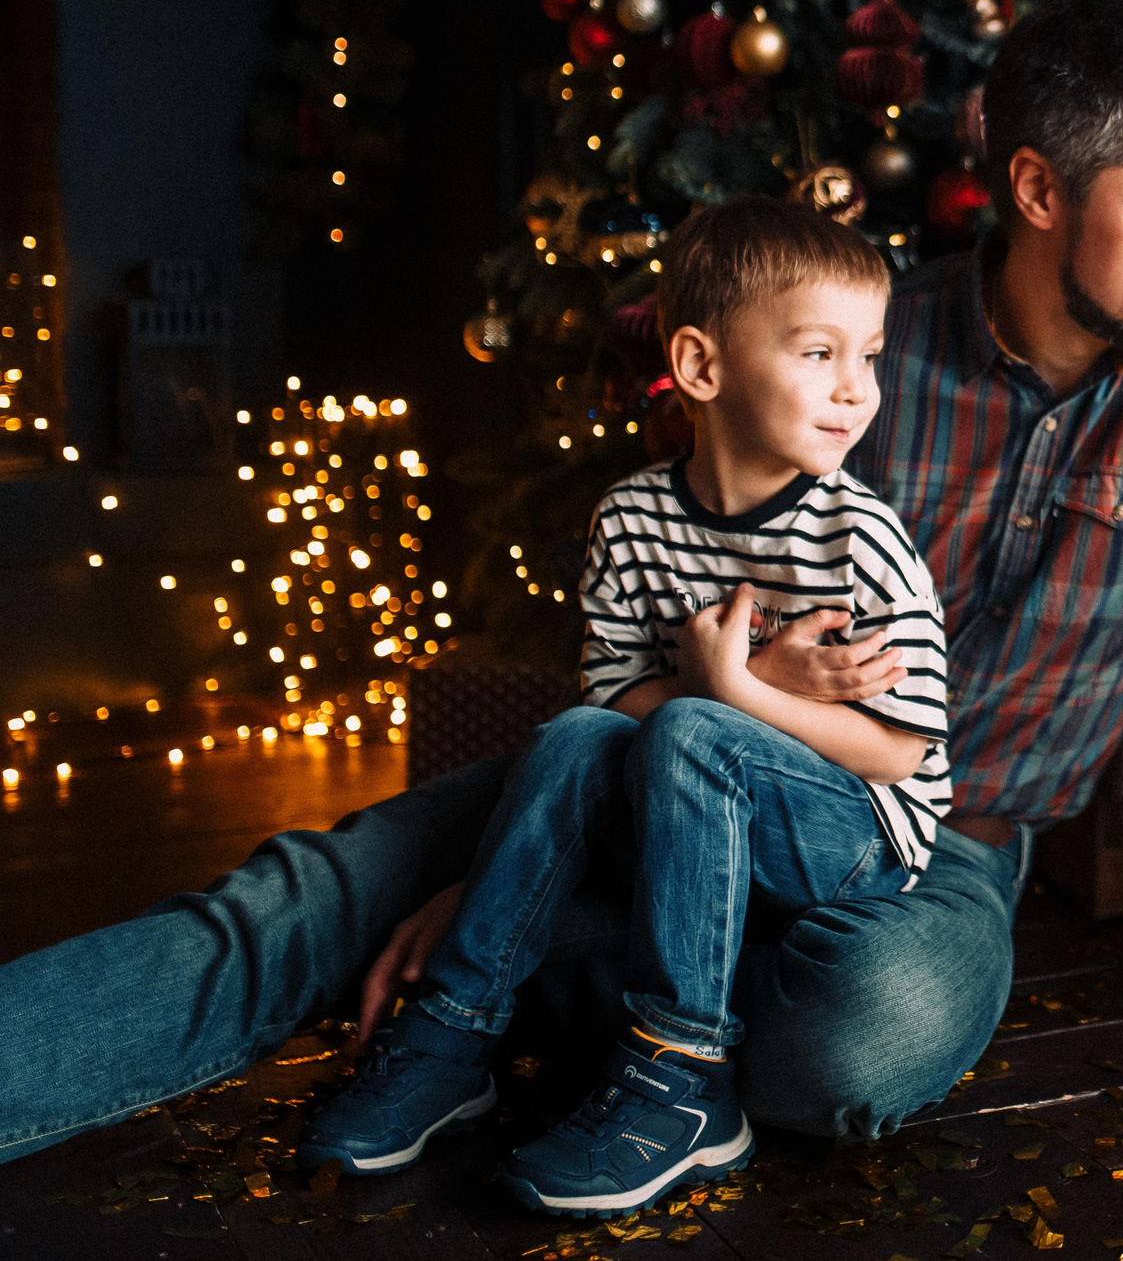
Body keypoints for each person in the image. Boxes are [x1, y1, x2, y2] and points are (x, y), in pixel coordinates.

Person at [0, 0, 1123, 1166]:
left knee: (853, 1054)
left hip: (928, 852)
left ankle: (556, 970)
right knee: (302, 895)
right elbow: (656, 610)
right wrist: (559, 822)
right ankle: (564, 963)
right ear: (1043, 191)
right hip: (649, 754)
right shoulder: (837, 342)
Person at [299, 197, 950, 1217]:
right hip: (688, 800)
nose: (854, 391)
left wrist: (731, 691)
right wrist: (717, 698)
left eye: (867, 358)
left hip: (856, 832)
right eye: (820, 354)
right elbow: (612, 696)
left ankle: (684, 1073)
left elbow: (901, 756)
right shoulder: (634, 517)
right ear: (699, 367)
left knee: (691, 727)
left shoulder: (858, 538)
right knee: (575, 736)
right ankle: (454, 1033)